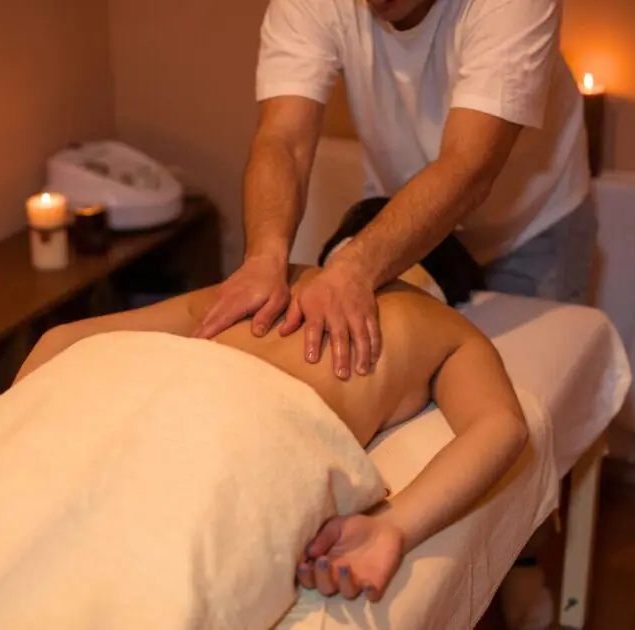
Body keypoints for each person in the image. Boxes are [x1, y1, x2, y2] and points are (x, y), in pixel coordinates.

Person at [16, 257, 527, 600]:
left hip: (142, 399)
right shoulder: (443, 323)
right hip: (243, 434)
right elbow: (500, 425)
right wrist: (394, 525)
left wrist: (6, 432)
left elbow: (59, 340)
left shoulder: (272, 283)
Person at [194, 0, 594, 380]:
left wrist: (352, 268)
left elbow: (468, 167)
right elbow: (284, 140)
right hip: (407, 215)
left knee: (520, 387)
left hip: (532, 223)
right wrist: (263, 258)